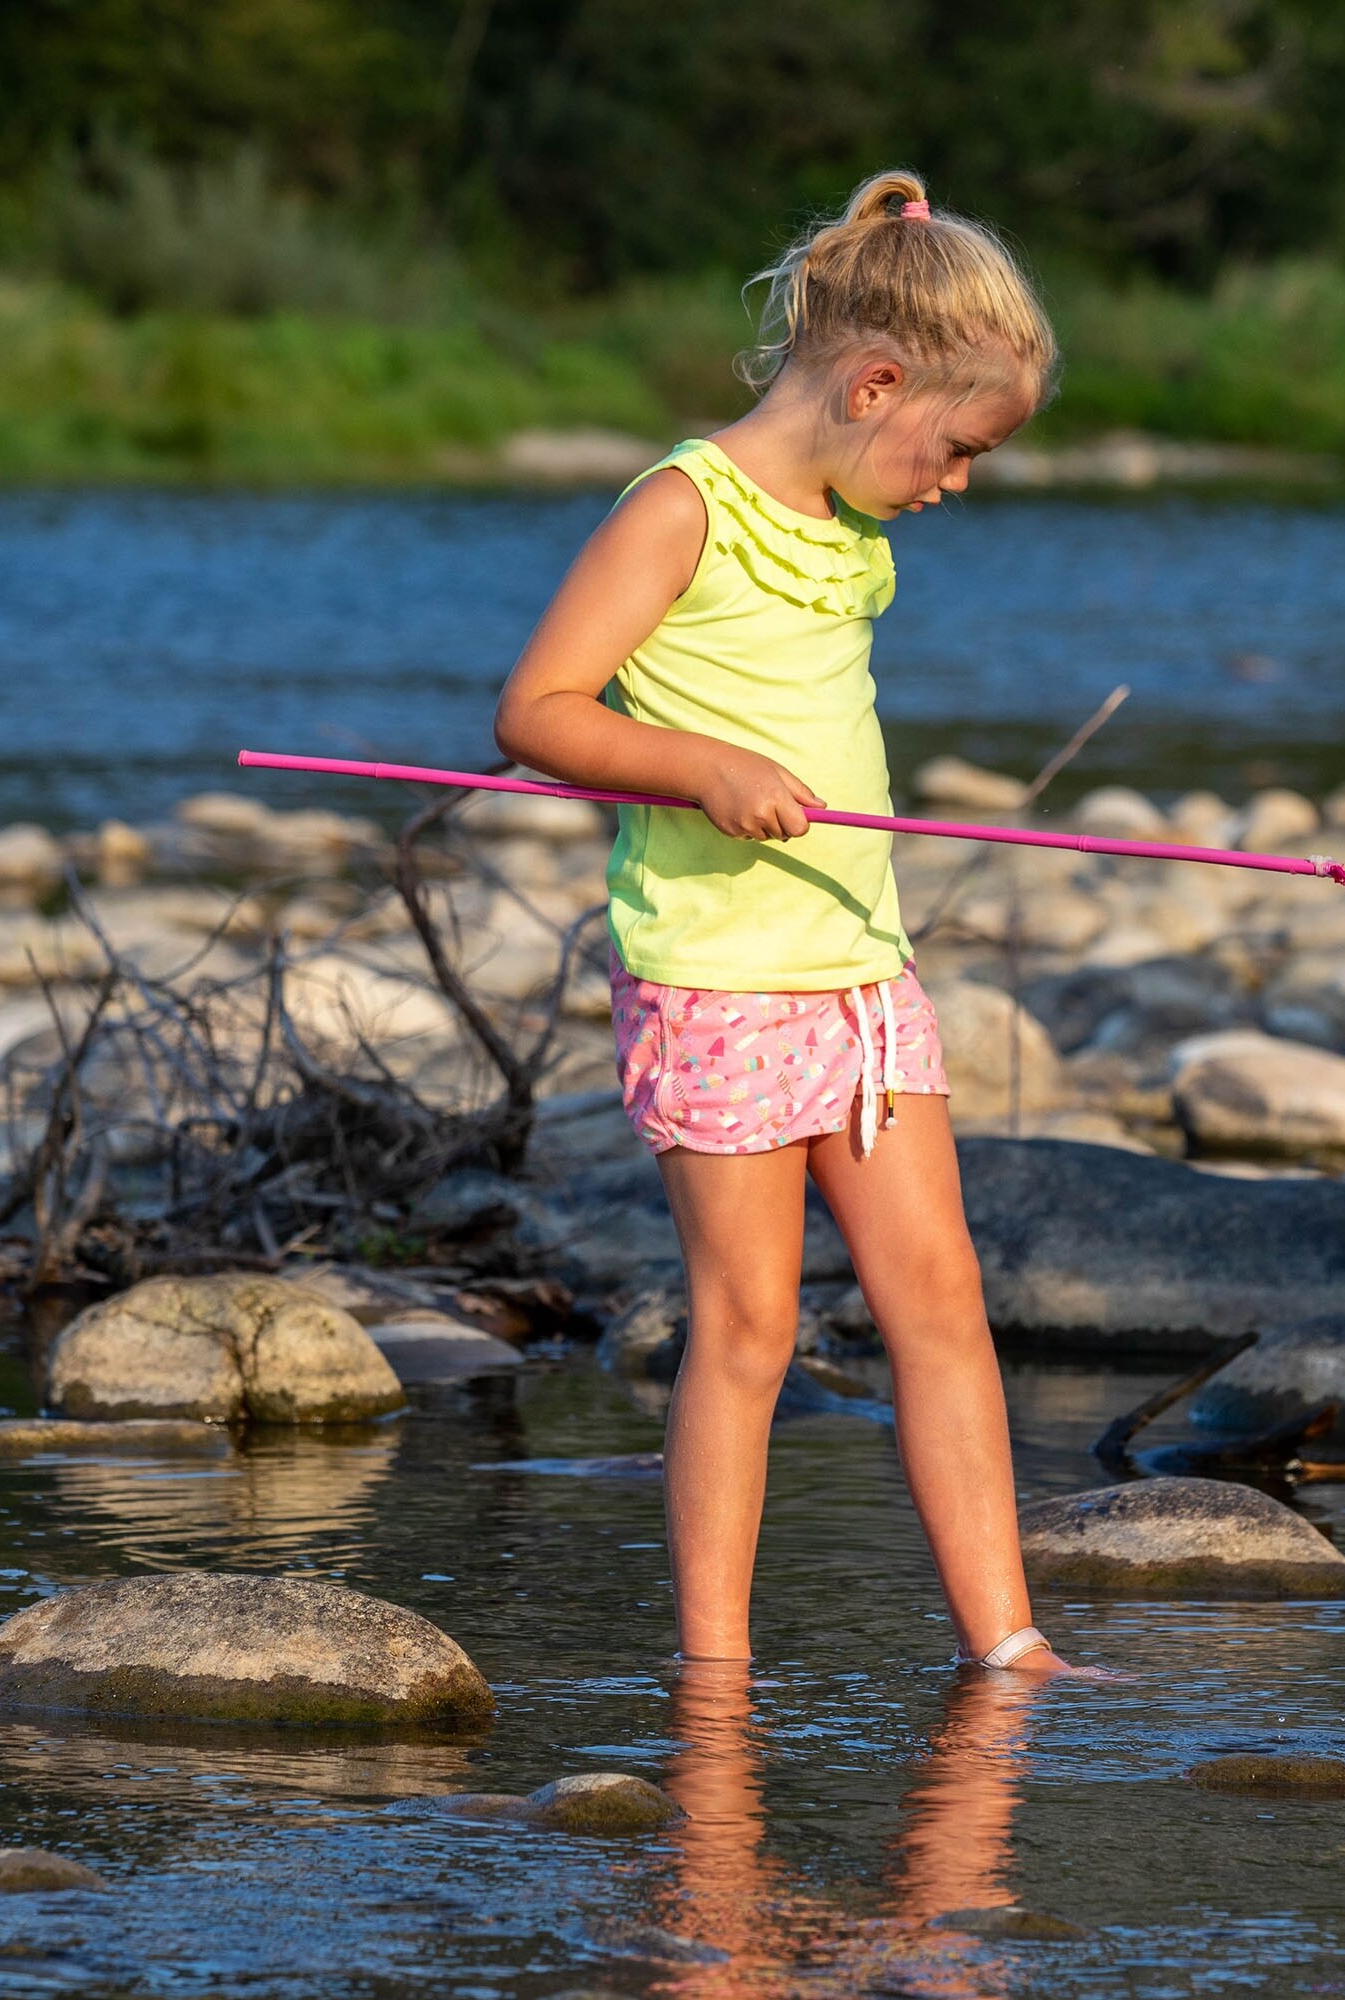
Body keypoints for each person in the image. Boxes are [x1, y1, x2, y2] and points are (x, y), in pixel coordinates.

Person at [493, 169, 1082, 1676]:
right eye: (955, 450)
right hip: (720, 987)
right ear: (875, 382)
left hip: (861, 977)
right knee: (748, 1326)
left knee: (941, 1300)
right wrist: (702, 767)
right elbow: (539, 712)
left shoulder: (848, 531)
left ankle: (1007, 1645)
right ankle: (715, 1667)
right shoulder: (684, 510)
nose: (953, 484)